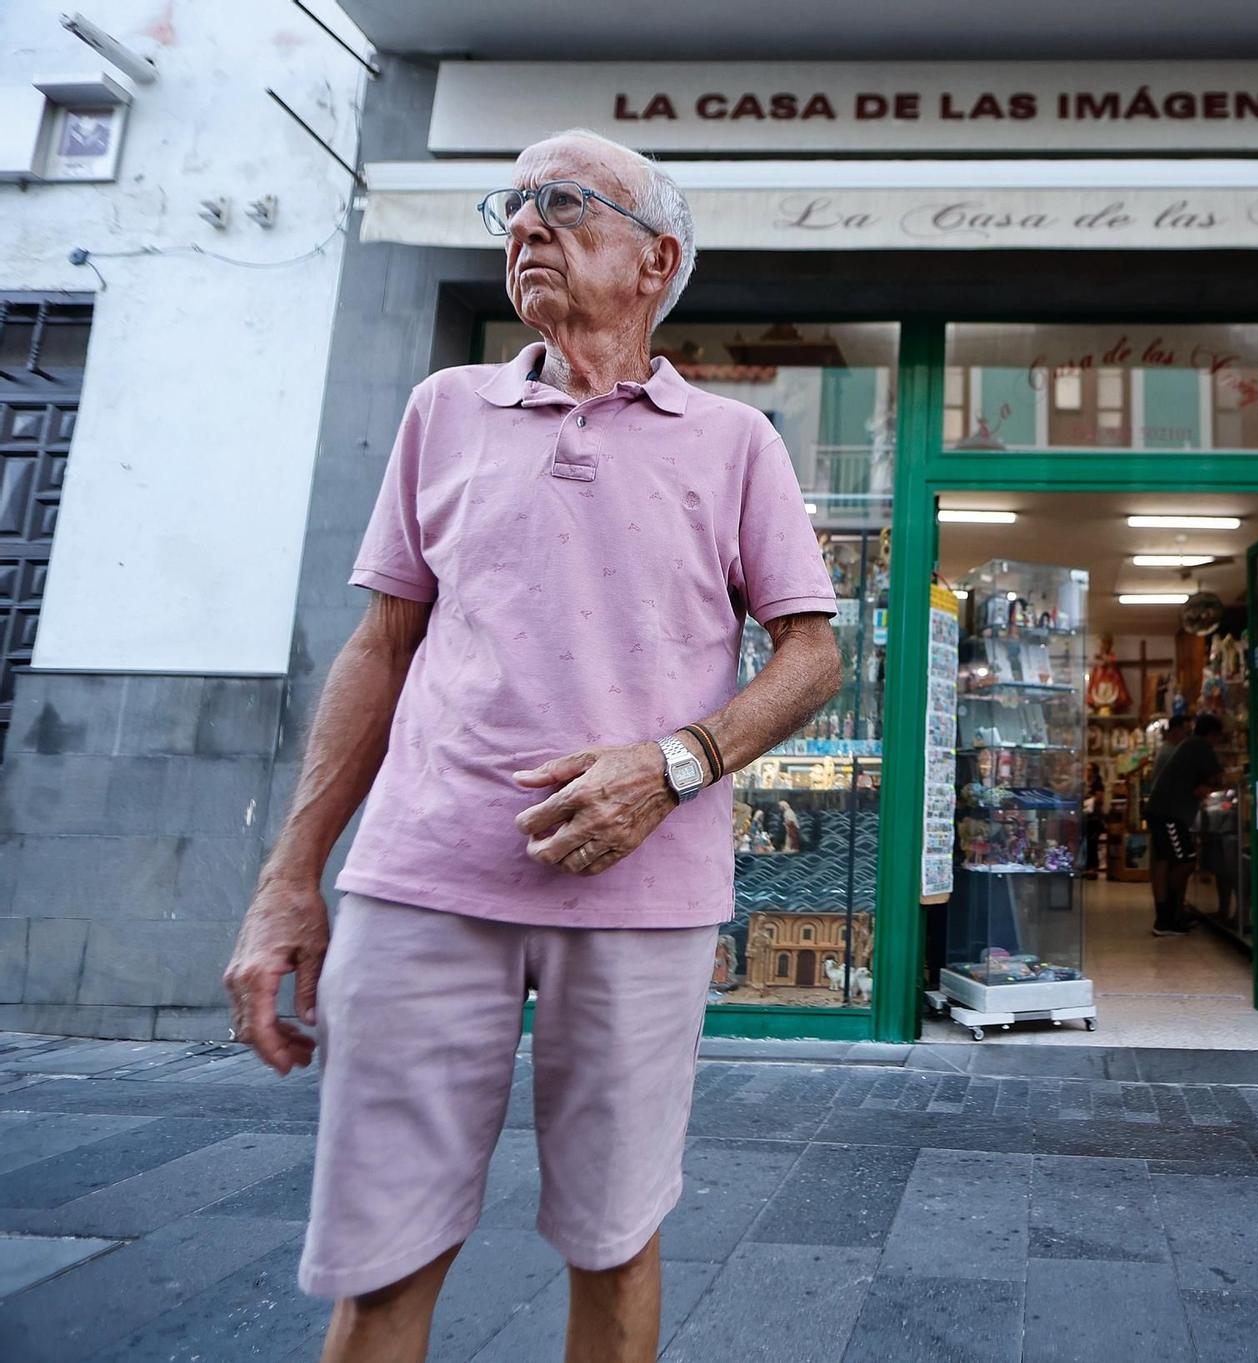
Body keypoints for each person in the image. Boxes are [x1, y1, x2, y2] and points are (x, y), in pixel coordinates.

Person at [221, 129, 843, 1363]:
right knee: (380, 1253)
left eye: (565, 203)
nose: (525, 224)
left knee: (614, 1241)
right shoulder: (443, 410)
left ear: (657, 259)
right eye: (514, 203)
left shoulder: (734, 444)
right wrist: (288, 877)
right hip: (420, 877)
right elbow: (379, 647)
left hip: (640, 894)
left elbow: (811, 657)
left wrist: (671, 763)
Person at [1145, 713, 1226, 936]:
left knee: (1166, 861)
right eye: (1219, 737)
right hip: (1170, 813)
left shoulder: (1188, 746)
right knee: (1186, 861)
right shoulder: (1200, 746)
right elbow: (1218, 777)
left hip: (1162, 811)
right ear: (1212, 735)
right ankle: (1170, 914)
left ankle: (1167, 916)